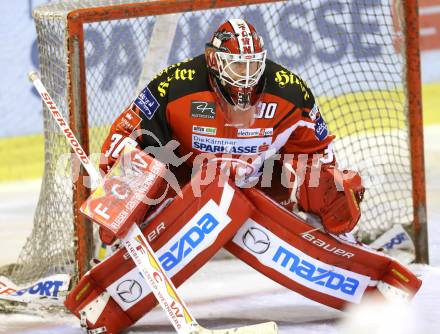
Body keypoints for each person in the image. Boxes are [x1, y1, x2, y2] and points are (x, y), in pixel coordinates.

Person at [99, 18, 364, 238]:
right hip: (186, 188)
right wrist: (115, 185)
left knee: (327, 179)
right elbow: (126, 134)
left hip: (260, 188)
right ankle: (120, 243)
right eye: (238, 65)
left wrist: (333, 191)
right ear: (214, 61)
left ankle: (335, 237)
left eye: (253, 64)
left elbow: (318, 151)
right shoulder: (175, 84)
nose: (247, 74)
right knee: (133, 161)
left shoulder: (290, 90)